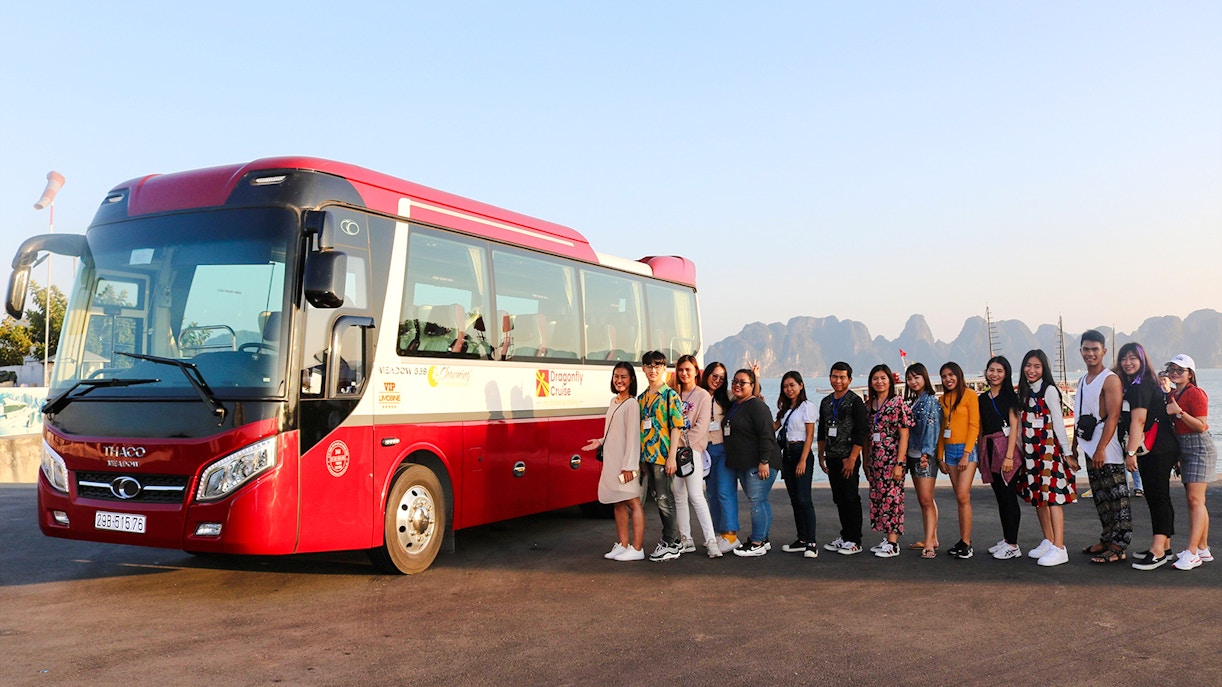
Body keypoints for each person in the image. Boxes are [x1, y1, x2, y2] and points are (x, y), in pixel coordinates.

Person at [1114, 343, 1181, 571]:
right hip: (1162, 446)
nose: (1128, 362)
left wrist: (1131, 452)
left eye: (1133, 357)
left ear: (1142, 360)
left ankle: (1158, 551)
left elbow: (1139, 421)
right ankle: (1166, 546)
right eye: (1124, 358)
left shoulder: (1139, 386)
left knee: (1157, 497)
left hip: (1155, 449)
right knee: (1159, 496)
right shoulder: (1143, 383)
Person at [1074, 330, 1131, 565]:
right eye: (1086, 349)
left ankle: (1119, 545)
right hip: (1089, 447)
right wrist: (1075, 448)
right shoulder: (1082, 380)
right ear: (1081, 351)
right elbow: (1080, 416)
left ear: (1104, 352)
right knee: (1100, 497)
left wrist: (1100, 449)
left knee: (1117, 498)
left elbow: (1114, 416)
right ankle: (1107, 539)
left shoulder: (1110, 379)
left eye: (1095, 349)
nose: (1090, 353)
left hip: (1108, 449)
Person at [1017, 349, 1076, 567]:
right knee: (1038, 498)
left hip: (1048, 451)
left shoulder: (1049, 390)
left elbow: (1059, 423)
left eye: (1036, 366)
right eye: (1028, 365)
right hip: (1031, 453)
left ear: (1044, 369)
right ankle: (1048, 540)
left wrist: (1067, 453)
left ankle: (1060, 547)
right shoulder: (1024, 392)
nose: (1031, 370)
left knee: (1052, 498)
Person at [583, 362, 645, 561]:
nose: (619, 380)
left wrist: (629, 465)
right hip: (612, 459)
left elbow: (633, 437)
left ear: (632, 379)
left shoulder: (632, 404)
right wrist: (600, 441)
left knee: (632, 502)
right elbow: (613, 431)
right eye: (616, 376)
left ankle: (637, 548)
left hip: (625, 462)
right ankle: (623, 544)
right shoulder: (614, 401)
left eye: (623, 377)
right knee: (617, 502)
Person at [721, 368, 780, 556]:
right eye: (735, 381)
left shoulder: (757, 406)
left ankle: (757, 542)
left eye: (743, 382)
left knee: (757, 501)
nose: (737, 385)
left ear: (752, 386)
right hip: (744, 464)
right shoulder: (736, 405)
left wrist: (764, 461)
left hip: (760, 464)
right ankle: (763, 538)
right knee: (759, 501)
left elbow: (767, 434)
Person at [1164, 354, 1216, 570]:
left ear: (1191, 374)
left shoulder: (1196, 394)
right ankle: (1202, 548)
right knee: (1195, 501)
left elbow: (1201, 425)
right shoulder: (1174, 393)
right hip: (1185, 447)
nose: (1175, 373)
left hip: (1199, 447)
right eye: (1172, 369)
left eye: (1180, 370)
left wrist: (1179, 412)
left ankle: (1192, 552)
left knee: (1195, 500)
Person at [669, 355, 721, 558]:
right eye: (680, 370)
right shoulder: (673, 394)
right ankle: (686, 538)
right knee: (679, 496)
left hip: (692, 452)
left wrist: (682, 443)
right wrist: (673, 448)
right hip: (674, 453)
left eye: (688, 370)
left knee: (697, 495)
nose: (684, 373)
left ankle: (711, 541)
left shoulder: (703, 396)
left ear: (696, 371)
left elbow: (701, 427)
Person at [637, 350, 686, 562]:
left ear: (665, 369)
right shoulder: (641, 398)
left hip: (663, 455)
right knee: (659, 498)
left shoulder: (670, 396)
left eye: (658, 366)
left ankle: (671, 542)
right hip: (648, 456)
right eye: (649, 366)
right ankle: (672, 541)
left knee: (665, 499)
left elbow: (676, 428)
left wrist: (672, 457)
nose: (653, 370)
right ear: (643, 369)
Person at [818, 362, 868, 555]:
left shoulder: (855, 402)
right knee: (839, 498)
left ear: (849, 380)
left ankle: (855, 539)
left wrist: (853, 459)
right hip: (831, 457)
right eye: (834, 376)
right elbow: (822, 430)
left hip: (848, 458)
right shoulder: (826, 402)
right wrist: (821, 455)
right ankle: (845, 535)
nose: (838, 381)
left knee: (850, 498)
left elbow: (861, 432)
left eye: (842, 377)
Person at [977, 356, 1023, 560]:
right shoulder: (982, 398)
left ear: (1006, 374)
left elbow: (1014, 428)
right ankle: (1006, 540)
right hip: (988, 448)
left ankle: (1013, 544)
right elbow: (980, 428)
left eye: (999, 371)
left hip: (1005, 449)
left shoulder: (1010, 398)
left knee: (1009, 497)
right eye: (991, 370)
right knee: (1000, 497)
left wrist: (1009, 457)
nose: (994, 374)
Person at [864, 364, 912, 558]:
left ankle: (893, 543)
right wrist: (867, 461)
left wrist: (900, 463)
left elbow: (905, 435)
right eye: (875, 378)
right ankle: (887, 538)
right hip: (875, 459)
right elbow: (867, 436)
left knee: (893, 499)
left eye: (883, 378)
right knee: (879, 498)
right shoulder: (869, 405)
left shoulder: (897, 403)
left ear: (890, 381)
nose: (879, 382)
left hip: (892, 458)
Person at [937, 362, 979, 559]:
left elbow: (974, 425)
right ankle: (963, 540)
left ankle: (967, 543)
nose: (948, 379)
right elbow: (940, 431)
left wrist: (966, 453)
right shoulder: (943, 399)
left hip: (966, 450)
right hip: (950, 452)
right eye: (944, 376)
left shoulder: (970, 395)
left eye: (951, 375)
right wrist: (940, 457)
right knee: (959, 498)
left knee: (963, 495)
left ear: (959, 375)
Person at [774, 370, 819, 558]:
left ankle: (811, 543)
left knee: (804, 499)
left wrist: (803, 460)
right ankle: (801, 539)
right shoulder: (785, 410)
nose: (789, 389)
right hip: (788, 455)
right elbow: (772, 427)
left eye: (792, 385)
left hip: (802, 453)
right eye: (785, 386)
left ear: (801, 385)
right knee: (794, 499)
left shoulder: (807, 406)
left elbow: (809, 435)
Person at [701, 361, 740, 554]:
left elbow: (750, 394)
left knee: (725, 492)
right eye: (714, 376)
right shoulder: (698, 395)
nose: (717, 380)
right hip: (705, 452)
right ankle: (718, 533)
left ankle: (731, 535)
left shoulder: (727, 396)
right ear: (707, 374)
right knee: (712, 494)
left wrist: (755, 378)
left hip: (723, 450)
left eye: (722, 378)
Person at [904, 363, 942, 558]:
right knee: (925, 500)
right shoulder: (914, 401)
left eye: (916, 377)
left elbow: (932, 429)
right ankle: (931, 537)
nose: (913, 381)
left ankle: (929, 543)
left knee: (926, 500)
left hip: (923, 456)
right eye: (910, 378)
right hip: (912, 454)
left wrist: (926, 454)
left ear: (925, 378)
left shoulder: (930, 401)